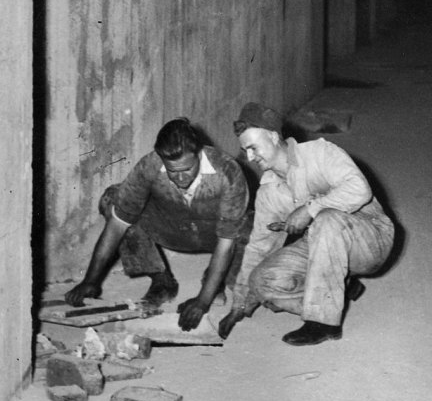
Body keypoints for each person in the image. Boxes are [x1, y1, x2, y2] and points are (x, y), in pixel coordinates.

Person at [218, 102, 394, 346]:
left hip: (370, 238)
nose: (250, 157)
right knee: (261, 281)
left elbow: (360, 190)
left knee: (326, 219)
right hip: (322, 244)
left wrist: (310, 208)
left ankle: (323, 323)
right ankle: (337, 289)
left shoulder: (319, 153)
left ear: (272, 136)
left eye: (253, 148)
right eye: (245, 151)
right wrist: (240, 303)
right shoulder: (269, 191)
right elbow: (259, 246)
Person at [64, 117, 250, 332]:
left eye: (187, 169)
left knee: (249, 226)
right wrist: (90, 280)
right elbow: (117, 226)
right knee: (113, 199)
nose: (180, 178)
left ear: (199, 152)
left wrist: (202, 301)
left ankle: (215, 280)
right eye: (173, 171)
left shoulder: (227, 171)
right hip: (173, 228)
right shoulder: (149, 166)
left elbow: (226, 244)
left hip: (215, 236)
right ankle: (162, 281)